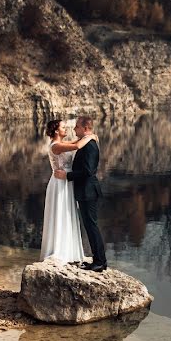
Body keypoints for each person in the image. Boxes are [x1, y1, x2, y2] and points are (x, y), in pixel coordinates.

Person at [55, 116, 107, 272]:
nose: (74, 129)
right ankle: (98, 260)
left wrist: (67, 176)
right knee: (90, 226)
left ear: (85, 128)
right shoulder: (86, 142)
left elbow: (88, 172)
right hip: (85, 191)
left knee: (92, 226)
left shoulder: (90, 146)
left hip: (88, 191)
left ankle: (100, 262)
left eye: (77, 126)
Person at [40, 119, 96, 263]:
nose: (67, 129)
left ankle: (70, 250)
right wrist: (90, 136)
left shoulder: (61, 144)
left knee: (68, 213)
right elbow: (77, 146)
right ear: (57, 131)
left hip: (67, 182)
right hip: (60, 183)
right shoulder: (56, 146)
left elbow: (74, 143)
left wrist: (86, 137)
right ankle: (58, 250)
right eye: (63, 127)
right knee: (60, 213)